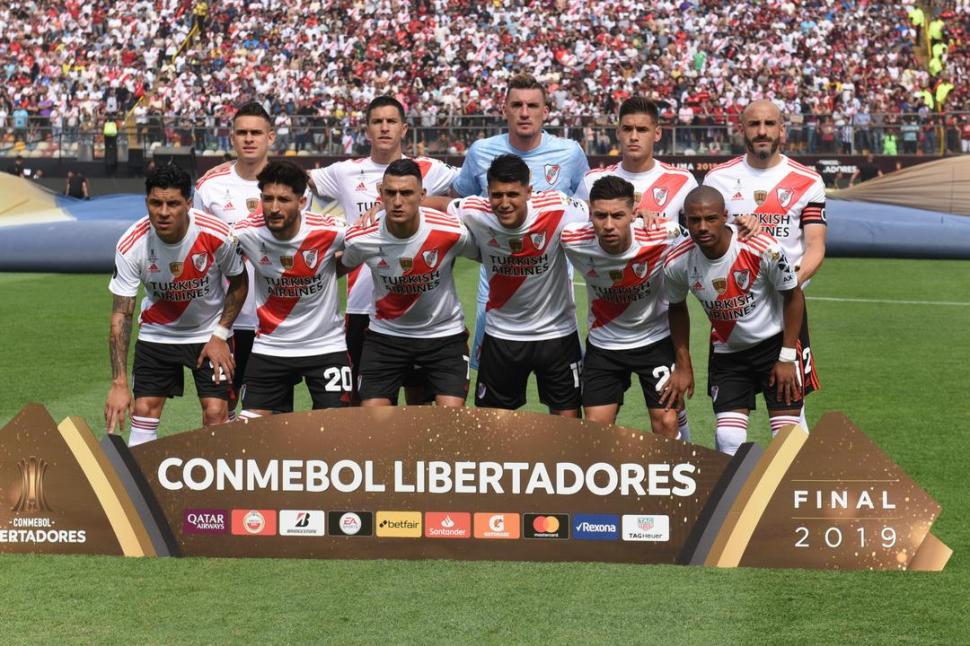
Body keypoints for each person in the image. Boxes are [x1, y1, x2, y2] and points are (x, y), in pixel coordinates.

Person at [307, 96, 457, 404]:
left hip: (418, 308)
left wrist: (390, 205)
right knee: (363, 405)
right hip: (363, 307)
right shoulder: (345, 172)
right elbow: (297, 183)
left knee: (419, 403)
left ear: (404, 129)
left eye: (391, 122)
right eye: (377, 122)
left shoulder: (431, 169)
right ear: (367, 130)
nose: (384, 128)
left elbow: (474, 190)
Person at [453, 74, 589, 370]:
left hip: (553, 295)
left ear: (546, 111)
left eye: (532, 105)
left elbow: (586, 207)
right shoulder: (480, 152)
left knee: (563, 398)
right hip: (496, 289)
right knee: (495, 394)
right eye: (517, 105)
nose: (524, 113)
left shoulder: (569, 153)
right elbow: (460, 202)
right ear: (505, 109)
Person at [702, 99, 825, 428]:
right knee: (729, 424)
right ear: (741, 129)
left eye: (770, 124)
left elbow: (815, 246)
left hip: (786, 310)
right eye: (754, 124)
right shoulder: (719, 179)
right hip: (734, 307)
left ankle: (793, 476)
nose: (762, 131)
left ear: (782, 130)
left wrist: (790, 284)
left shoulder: (807, 180)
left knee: (790, 410)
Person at [104, 164, 247, 446]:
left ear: (189, 204)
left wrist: (221, 334)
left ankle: (219, 486)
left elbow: (239, 283)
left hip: (209, 336)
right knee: (145, 409)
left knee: (217, 413)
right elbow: (121, 314)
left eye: (173, 203)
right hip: (158, 335)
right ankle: (140, 487)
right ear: (146, 202)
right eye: (156, 203)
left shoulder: (217, 234)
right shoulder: (131, 245)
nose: (164, 212)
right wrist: (119, 383)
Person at [662, 187, 806, 455]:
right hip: (728, 352)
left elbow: (794, 296)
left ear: (725, 216)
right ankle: (738, 496)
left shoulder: (763, 248)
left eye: (711, 218)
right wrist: (683, 364)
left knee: (788, 437)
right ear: (685, 221)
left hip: (774, 346)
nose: (702, 227)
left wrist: (787, 357)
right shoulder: (676, 261)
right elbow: (677, 307)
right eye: (694, 220)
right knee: (727, 437)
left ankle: (786, 494)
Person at [447, 154, 588, 417]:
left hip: (557, 335)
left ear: (529, 192)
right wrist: (384, 209)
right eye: (496, 195)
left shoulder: (559, 208)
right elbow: (439, 205)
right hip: (502, 336)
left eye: (512, 194)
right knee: (492, 428)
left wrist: (640, 212)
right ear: (488, 193)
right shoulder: (473, 210)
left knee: (569, 424)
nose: (504, 203)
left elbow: (602, 213)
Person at [339, 159, 477, 408]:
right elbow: (336, 267)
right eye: (390, 193)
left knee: (452, 422)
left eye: (406, 193)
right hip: (386, 337)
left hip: (443, 337)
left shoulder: (452, 232)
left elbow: (487, 254)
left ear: (422, 195)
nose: (398, 201)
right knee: (374, 425)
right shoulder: (361, 238)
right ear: (381, 194)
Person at [562, 176, 685, 436]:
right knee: (595, 430)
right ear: (590, 214)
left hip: (654, 340)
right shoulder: (572, 239)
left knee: (667, 422)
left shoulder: (662, 235)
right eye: (600, 216)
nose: (608, 225)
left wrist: (744, 225)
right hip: (604, 346)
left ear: (633, 214)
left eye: (618, 215)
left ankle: (670, 475)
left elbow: (710, 235)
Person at [232, 161, 351, 417]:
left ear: (301, 201)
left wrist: (331, 269)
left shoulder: (331, 230)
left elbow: (366, 246)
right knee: (250, 436)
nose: (274, 208)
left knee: (338, 434)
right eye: (268, 199)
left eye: (283, 200)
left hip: (326, 347)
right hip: (270, 347)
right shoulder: (245, 233)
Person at [193, 101, 276, 419]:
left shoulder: (290, 185)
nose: (249, 138)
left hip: (273, 322)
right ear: (232, 138)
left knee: (265, 413)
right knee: (218, 411)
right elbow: (197, 249)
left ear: (271, 137)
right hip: (225, 322)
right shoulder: (210, 186)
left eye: (256, 132)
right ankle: (220, 468)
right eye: (242, 132)